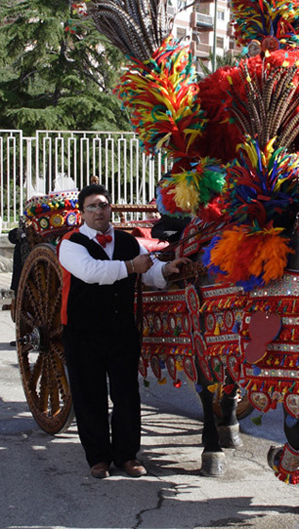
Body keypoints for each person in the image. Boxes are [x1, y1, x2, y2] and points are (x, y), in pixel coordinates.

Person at [59, 183, 185, 479]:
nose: (99, 211)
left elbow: (150, 271)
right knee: (89, 396)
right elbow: (91, 272)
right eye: (92, 206)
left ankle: (127, 456)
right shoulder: (71, 243)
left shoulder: (129, 241)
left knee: (126, 394)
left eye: (103, 205)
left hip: (120, 329)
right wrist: (131, 267)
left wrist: (167, 271)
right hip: (83, 331)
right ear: (82, 212)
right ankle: (98, 459)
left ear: (111, 208)